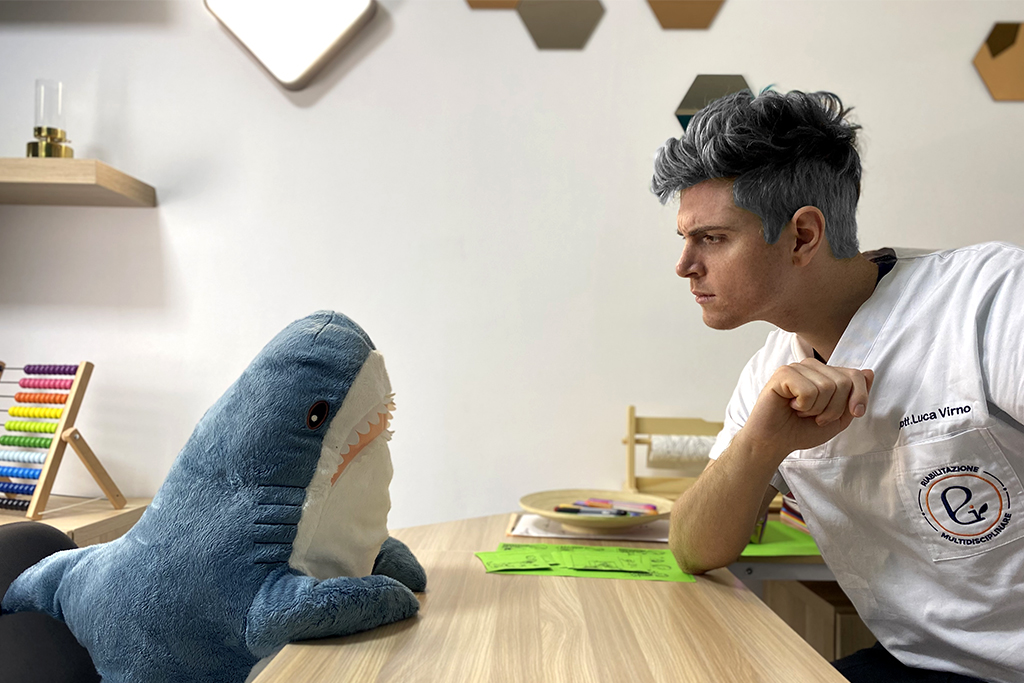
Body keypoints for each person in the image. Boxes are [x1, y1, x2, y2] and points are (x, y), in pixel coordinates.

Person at [651, 89, 1023, 683]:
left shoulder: (991, 298)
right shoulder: (768, 373)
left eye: (713, 238)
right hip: (919, 665)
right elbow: (694, 548)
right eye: (685, 239)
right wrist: (761, 445)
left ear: (802, 235)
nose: (685, 265)